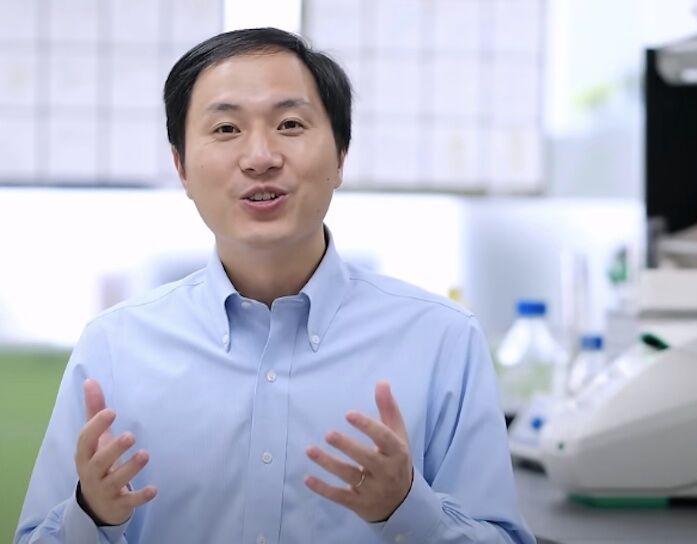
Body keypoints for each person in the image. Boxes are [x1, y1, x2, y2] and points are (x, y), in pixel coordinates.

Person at [15, 27, 535, 544]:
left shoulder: (442, 340)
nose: (260, 156)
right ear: (181, 168)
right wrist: (91, 517)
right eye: (225, 130)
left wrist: (408, 510)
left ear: (340, 157)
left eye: (289, 124)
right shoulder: (115, 345)